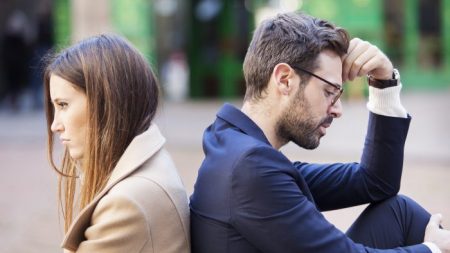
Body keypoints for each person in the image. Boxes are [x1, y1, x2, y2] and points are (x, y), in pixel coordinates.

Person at [189, 12, 450, 253]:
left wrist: (384, 81)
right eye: (329, 92)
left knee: (398, 212)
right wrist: (432, 249)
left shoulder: (239, 150)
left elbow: (376, 182)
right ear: (284, 80)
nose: (337, 110)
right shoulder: (250, 169)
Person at [44, 34, 190, 253]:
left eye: (63, 105)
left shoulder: (127, 203)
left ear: (106, 103)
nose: (55, 125)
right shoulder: (149, 161)